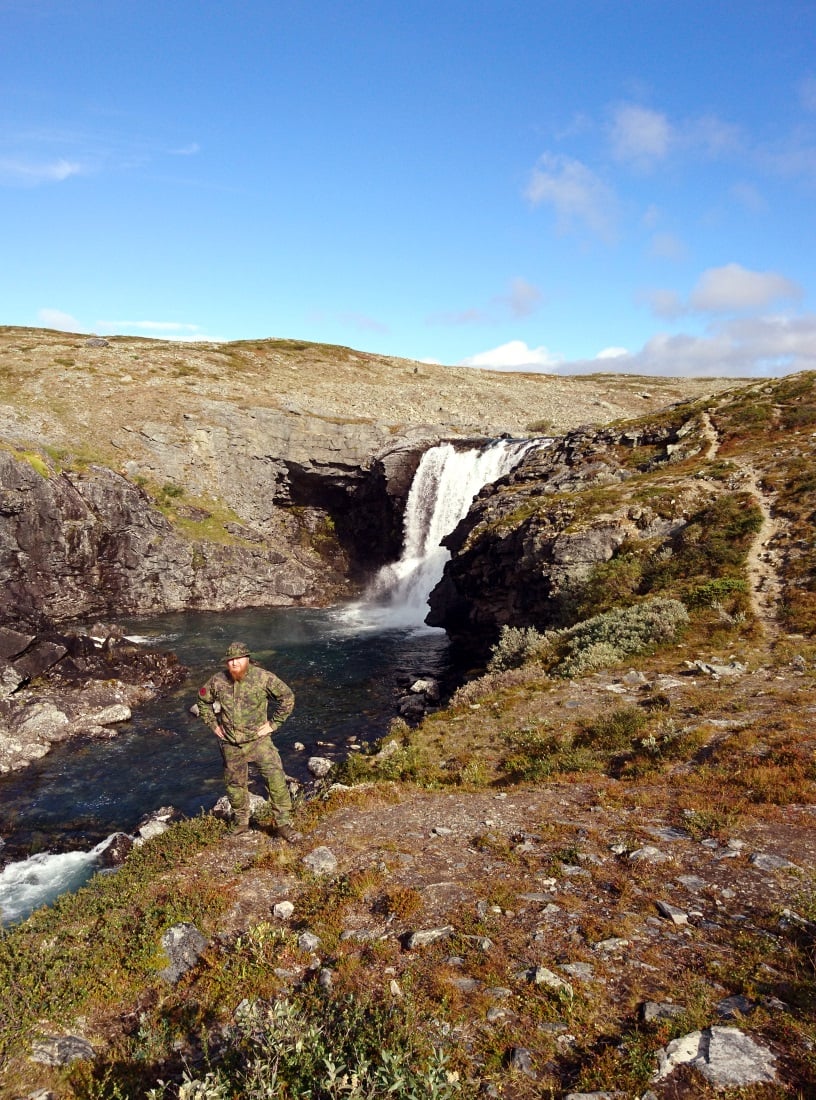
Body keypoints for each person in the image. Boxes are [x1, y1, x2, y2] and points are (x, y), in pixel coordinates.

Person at [197, 641, 298, 840]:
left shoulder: (263, 677)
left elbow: (288, 697)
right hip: (231, 744)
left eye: (238, 659)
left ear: (247, 659)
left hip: (258, 741)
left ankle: (283, 825)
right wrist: (213, 725)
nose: (234, 663)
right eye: (230, 660)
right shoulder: (217, 681)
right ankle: (241, 823)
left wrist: (273, 724)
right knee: (235, 785)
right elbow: (203, 700)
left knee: (275, 779)